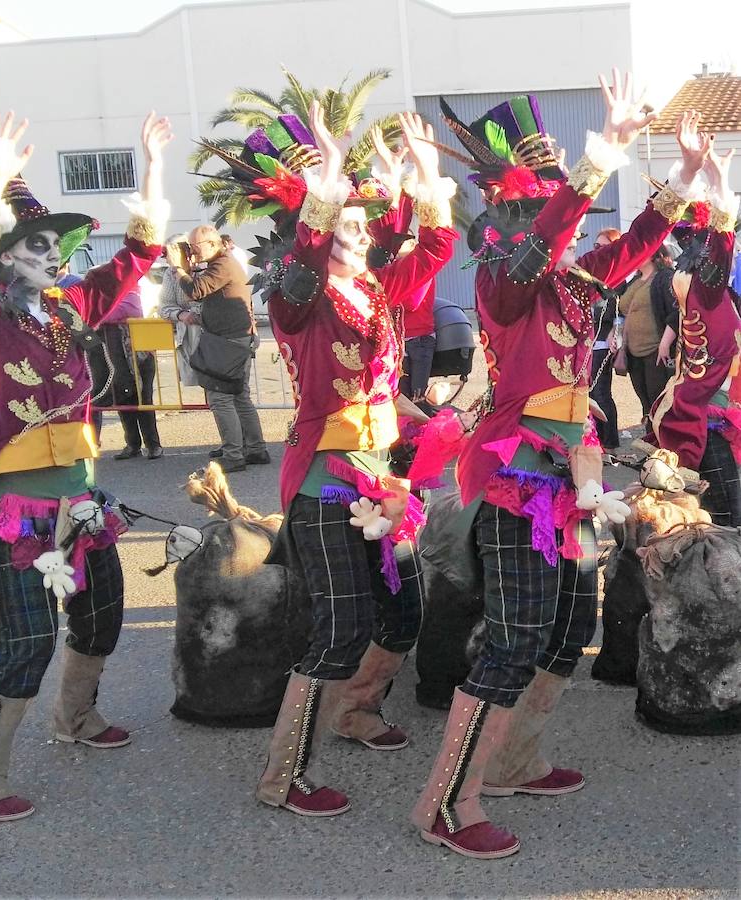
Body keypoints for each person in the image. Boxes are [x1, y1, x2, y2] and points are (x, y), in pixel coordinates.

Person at [411, 80, 708, 859]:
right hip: (519, 476)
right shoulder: (504, 284)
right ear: (512, 219)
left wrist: (683, 179)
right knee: (513, 638)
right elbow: (552, 234)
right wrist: (600, 151)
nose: (563, 227)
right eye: (538, 207)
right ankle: (447, 802)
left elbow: (639, 241)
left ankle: (511, 761)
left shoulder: (573, 285)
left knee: (570, 626)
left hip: (571, 475)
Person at [0, 110, 171, 822]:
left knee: (101, 615)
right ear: (6, 257)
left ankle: (76, 718)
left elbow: (135, 256)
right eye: (35, 245)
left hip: (81, 500)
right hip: (16, 508)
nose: (53, 255)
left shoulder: (67, 310)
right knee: (27, 640)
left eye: (56, 245)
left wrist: (152, 169)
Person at [254, 103, 457, 817]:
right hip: (323, 483)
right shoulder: (295, 300)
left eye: (363, 222)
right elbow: (308, 254)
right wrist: (330, 183)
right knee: (338, 628)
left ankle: (357, 710)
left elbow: (432, 252)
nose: (361, 230)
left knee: (404, 610)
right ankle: (283, 775)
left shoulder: (373, 293)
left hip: (381, 474)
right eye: (347, 222)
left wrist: (428, 178)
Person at [651, 145, 740, 524]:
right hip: (708, 415)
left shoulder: (700, 286)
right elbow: (722, 251)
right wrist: (720, 184)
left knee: (721, 515)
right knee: (728, 517)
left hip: (706, 404)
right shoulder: (705, 286)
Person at [172, 224, 269, 472]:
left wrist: (177, 268)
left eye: (195, 247)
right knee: (239, 396)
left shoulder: (223, 265)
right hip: (235, 339)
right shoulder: (221, 263)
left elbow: (195, 291)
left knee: (221, 397)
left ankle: (234, 454)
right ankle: (255, 449)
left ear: (213, 244)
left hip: (229, 342)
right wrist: (189, 266)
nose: (193, 251)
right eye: (190, 247)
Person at [99, 286, 163, 460]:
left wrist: (99, 310)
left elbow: (111, 313)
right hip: (117, 359)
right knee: (122, 399)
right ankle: (132, 444)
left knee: (144, 400)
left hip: (140, 357)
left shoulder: (132, 295)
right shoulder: (108, 296)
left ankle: (153, 445)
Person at [618, 243, 678, 424]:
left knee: (659, 402)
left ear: (653, 254)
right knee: (645, 403)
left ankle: (662, 447)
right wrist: (617, 336)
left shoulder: (665, 278)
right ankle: (651, 442)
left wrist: (665, 344)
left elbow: (676, 312)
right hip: (634, 352)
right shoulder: (634, 281)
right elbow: (623, 312)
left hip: (656, 351)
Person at [588, 226, 622, 450]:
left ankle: (609, 441)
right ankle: (598, 440)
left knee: (601, 392)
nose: (598, 250)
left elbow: (621, 314)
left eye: (603, 247)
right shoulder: (591, 278)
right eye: (595, 246)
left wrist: (615, 336)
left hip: (603, 344)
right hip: (588, 345)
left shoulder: (618, 280)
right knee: (591, 393)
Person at [156, 234, 204, 391]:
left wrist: (194, 311)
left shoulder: (205, 269)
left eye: (170, 254)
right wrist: (180, 314)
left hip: (212, 337)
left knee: (220, 393)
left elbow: (203, 298)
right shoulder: (170, 274)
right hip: (189, 339)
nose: (167, 259)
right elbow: (164, 306)